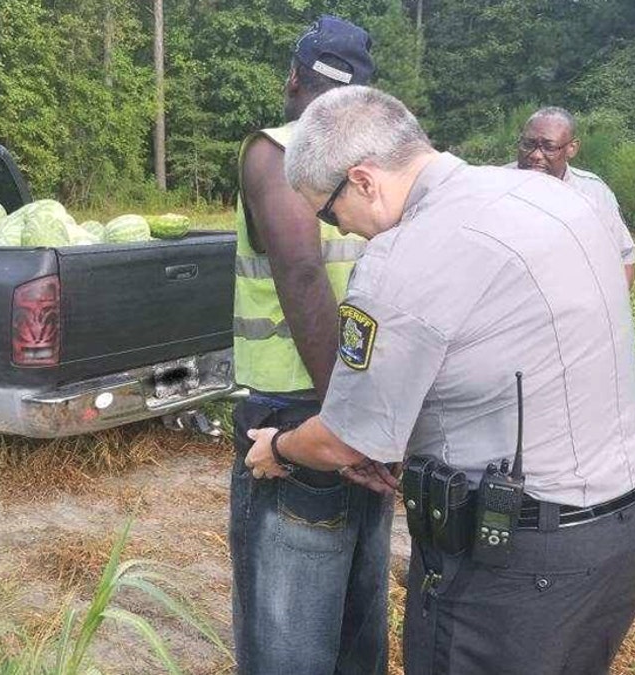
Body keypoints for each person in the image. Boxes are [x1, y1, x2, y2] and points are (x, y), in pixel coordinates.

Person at [247, 86, 635, 675]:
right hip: (625, 530)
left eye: (327, 210)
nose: (340, 227)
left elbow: (345, 440)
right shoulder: (551, 198)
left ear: (363, 180)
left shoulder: (401, 260)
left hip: (515, 567)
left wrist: (278, 448)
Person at [228, 16, 393, 675]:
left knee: (285, 636)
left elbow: (298, 271)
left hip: (298, 419)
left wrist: (341, 421)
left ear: (293, 78)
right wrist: (369, 420)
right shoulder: (376, 170)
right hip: (367, 409)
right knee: (358, 618)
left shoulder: (278, 151)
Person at [512, 106, 635, 289]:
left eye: (549, 147)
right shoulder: (494, 185)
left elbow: (624, 256)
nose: (536, 155)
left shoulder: (593, 192)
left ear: (572, 148)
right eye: (528, 144)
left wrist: (612, 312)